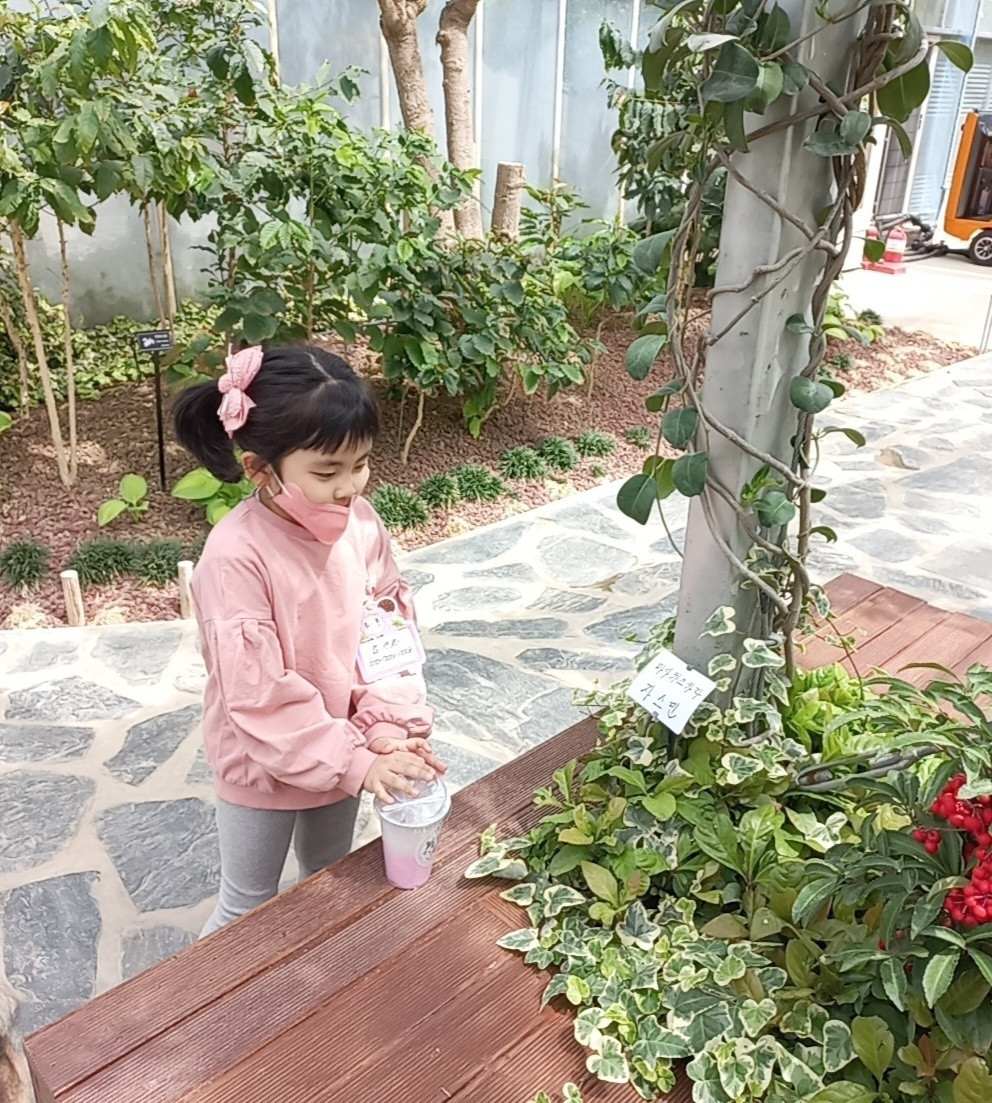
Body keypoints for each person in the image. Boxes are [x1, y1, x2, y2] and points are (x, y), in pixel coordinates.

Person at [173, 345, 446, 936]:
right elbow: (259, 696)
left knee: (328, 878)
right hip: (260, 765)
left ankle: (313, 989)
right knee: (246, 905)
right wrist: (356, 761)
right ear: (259, 469)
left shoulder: (362, 525)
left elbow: (384, 636)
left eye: (361, 464)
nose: (350, 487)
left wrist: (386, 731)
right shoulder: (235, 557)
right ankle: (212, 1000)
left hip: (345, 749)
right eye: (326, 472)